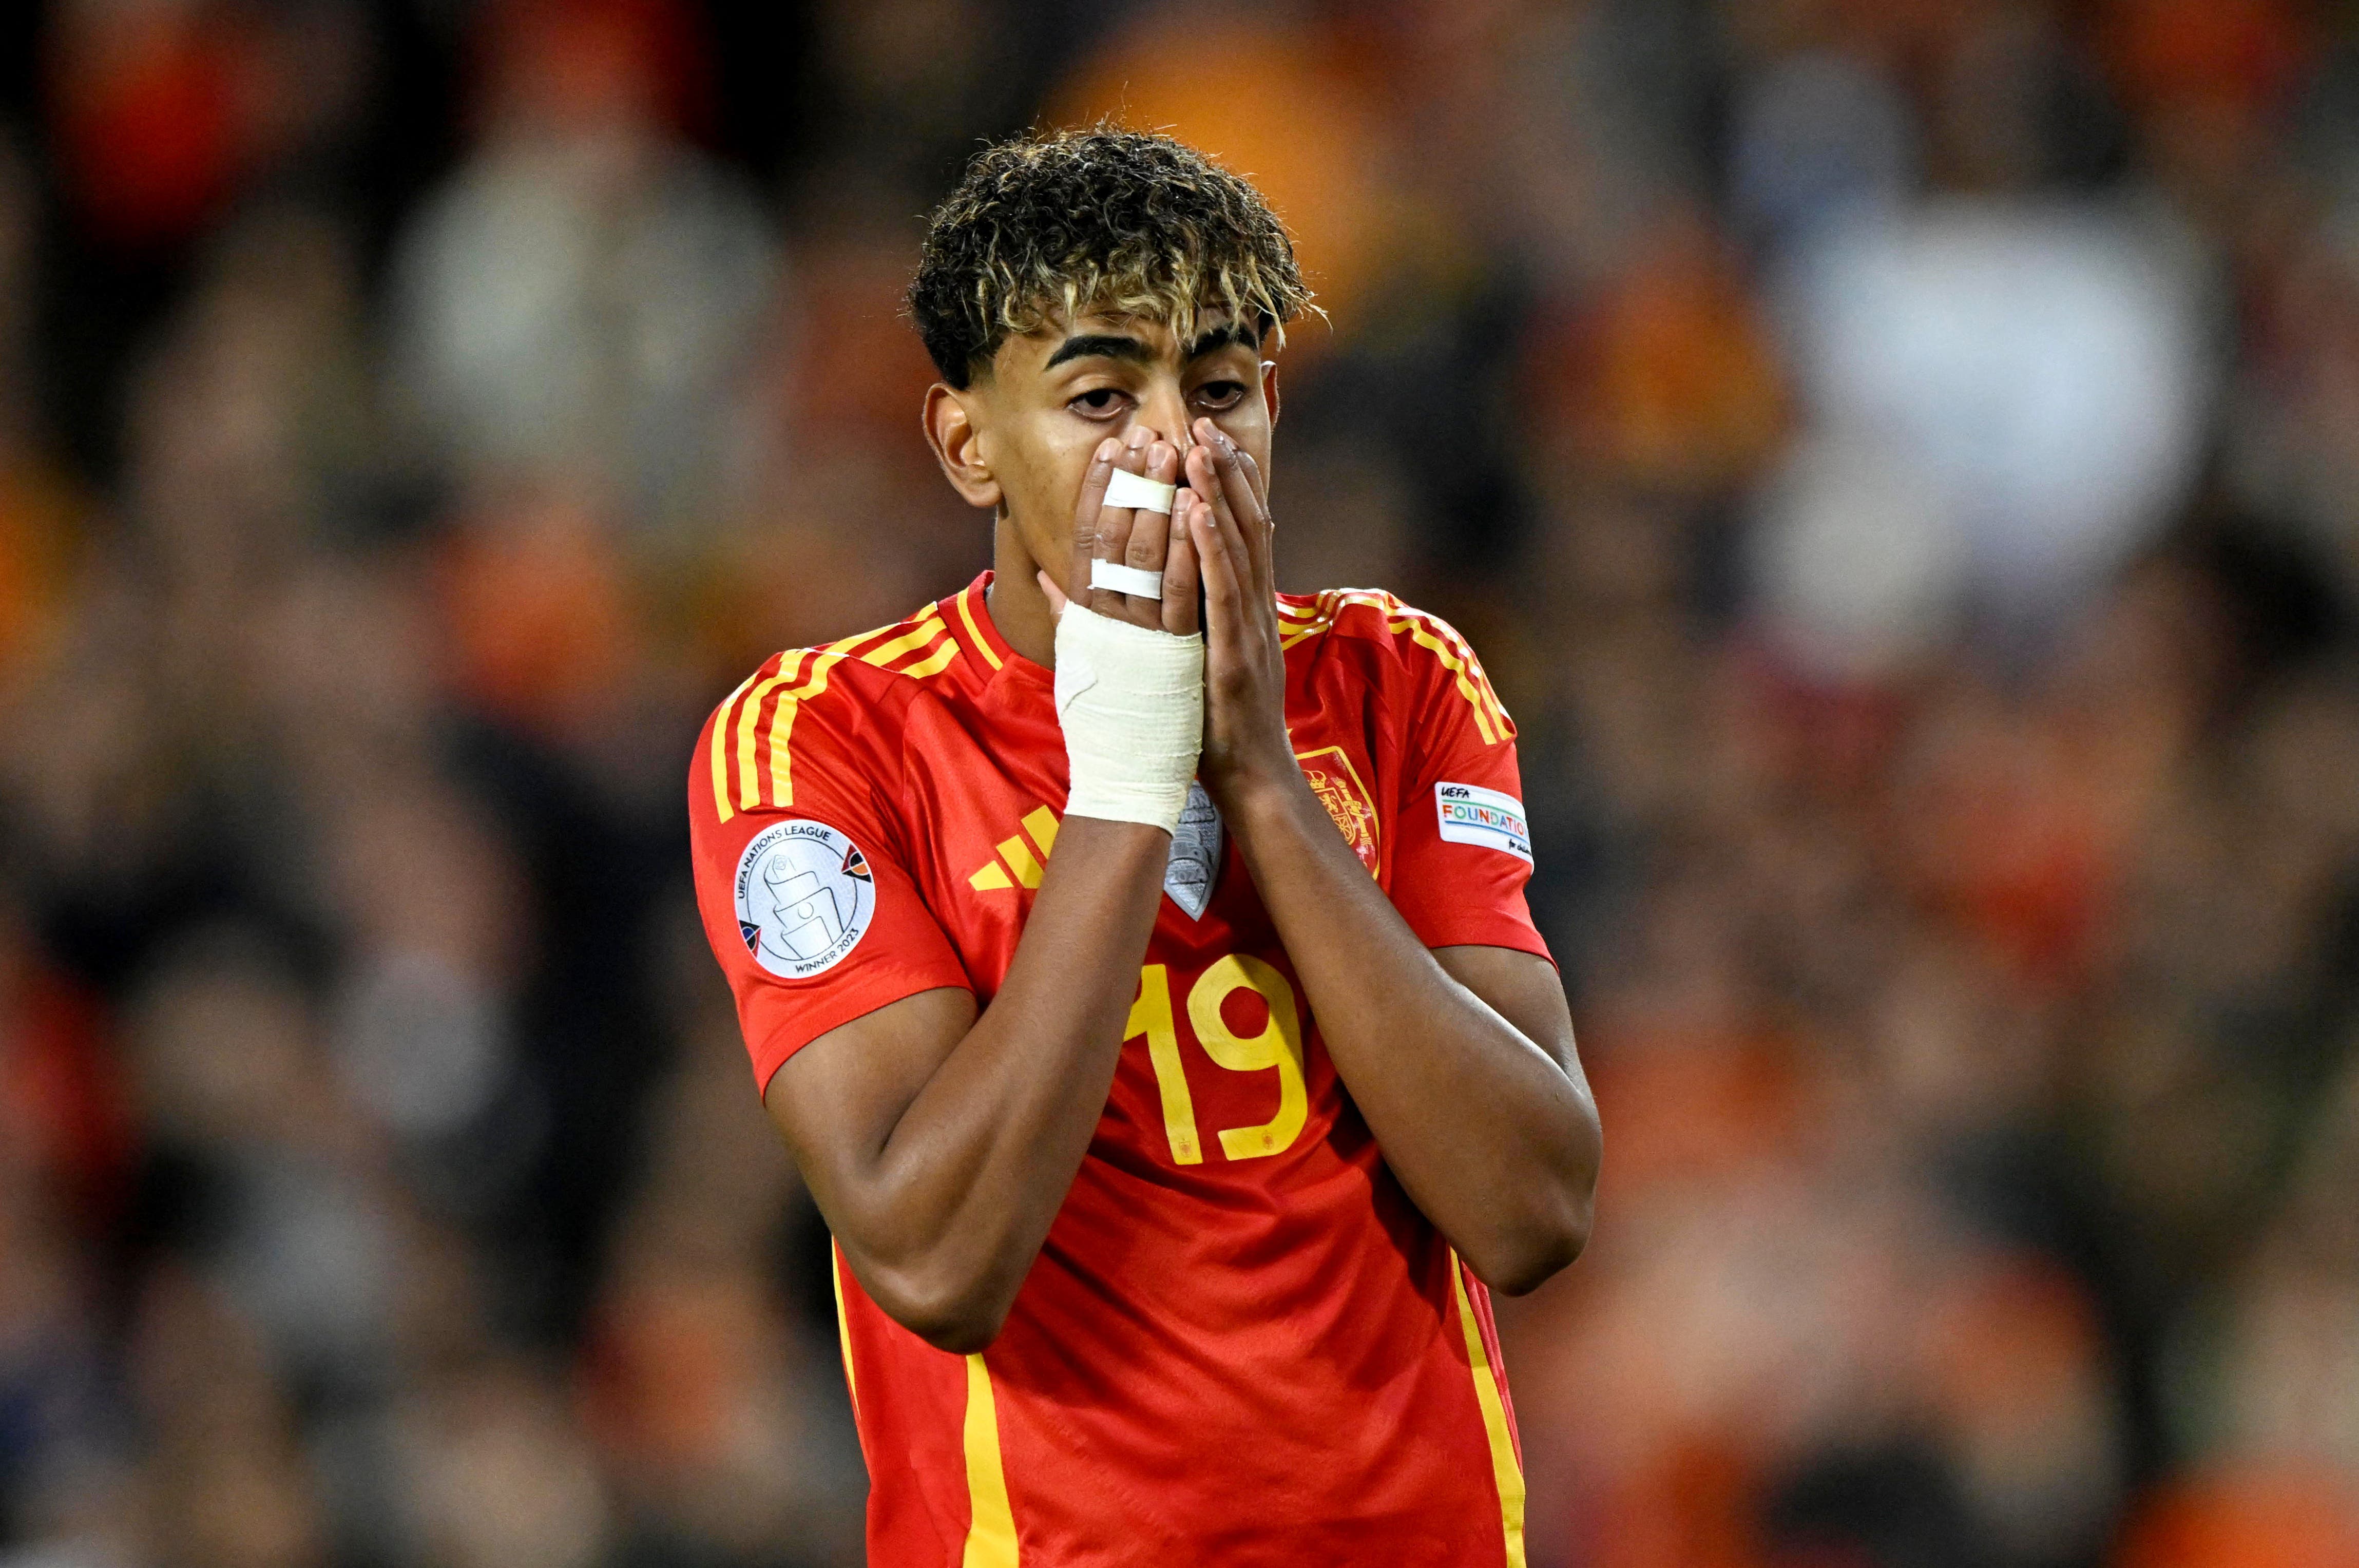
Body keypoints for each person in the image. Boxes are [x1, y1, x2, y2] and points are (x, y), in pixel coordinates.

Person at [688, 127, 1601, 1565]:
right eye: (1102, 394)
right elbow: (936, 1258)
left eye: (1222, 388)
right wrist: (1125, 772)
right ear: (966, 443)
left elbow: (1535, 1207)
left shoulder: (1395, 681)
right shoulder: (825, 740)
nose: (1177, 446)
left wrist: (1258, 781)